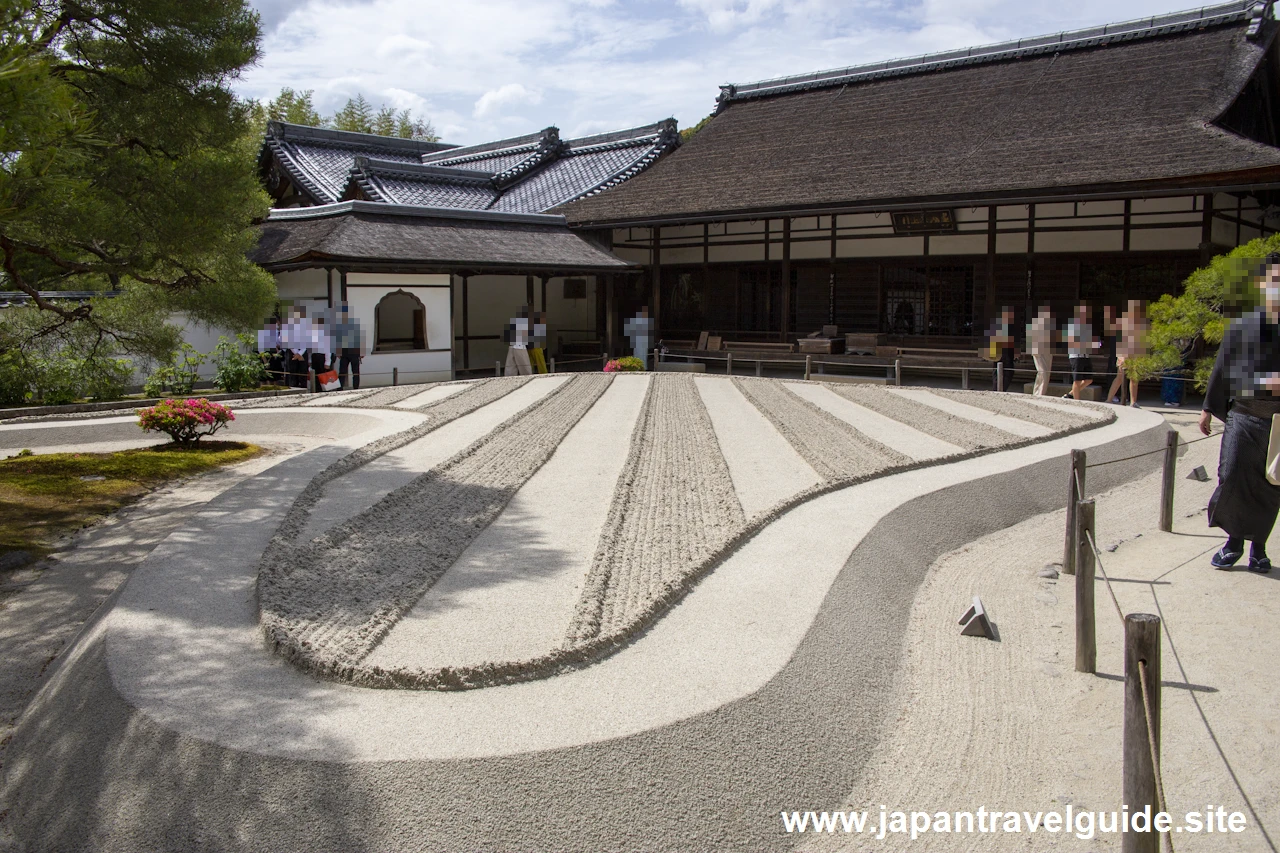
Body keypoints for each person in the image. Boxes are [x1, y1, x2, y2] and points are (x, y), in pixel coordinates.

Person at [1198, 253, 1280, 573]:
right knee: (1230, 475)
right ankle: (1233, 541)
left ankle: (1258, 549)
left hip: (1278, 422)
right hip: (1243, 413)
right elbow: (1223, 364)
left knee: (1271, 484)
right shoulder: (1243, 323)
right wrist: (1207, 408)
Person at [1107, 300, 1148, 407]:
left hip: (1136, 354)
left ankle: (1133, 402)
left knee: (1134, 379)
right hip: (1125, 354)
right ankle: (1109, 399)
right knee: (1120, 378)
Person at [1063, 303, 1098, 400]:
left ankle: (1070, 395)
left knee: (1088, 379)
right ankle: (1076, 401)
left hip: (1085, 355)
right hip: (1076, 356)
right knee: (1077, 380)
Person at [331, 306, 364, 390]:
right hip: (344, 352)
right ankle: (340, 387)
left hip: (354, 351)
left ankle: (356, 387)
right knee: (342, 371)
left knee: (355, 371)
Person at [987, 306, 1017, 391]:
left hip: (998, 351)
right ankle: (1000, 389)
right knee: (1007, 372)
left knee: (997, 371)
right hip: (1005, 352)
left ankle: (996, 388)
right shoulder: (1008, 326)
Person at [1027, 305, 1055, 396]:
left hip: (1047, 351)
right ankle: (1039, 393)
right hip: (1039, 351)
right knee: (1042, 372)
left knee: (1046, 373)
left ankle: (1040, 392)